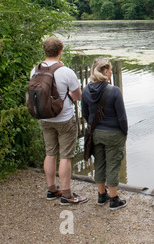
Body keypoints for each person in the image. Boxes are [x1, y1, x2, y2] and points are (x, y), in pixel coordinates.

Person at [31, 37, 88, 205]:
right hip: (64, 119)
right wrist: (69, 94)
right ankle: (67, 194)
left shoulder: (35, 70)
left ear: (45, 51)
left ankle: (51, 189)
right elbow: (78, 96)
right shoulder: (66, 72)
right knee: (66, 156)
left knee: (50, 153)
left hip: (44, 117)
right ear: (60, 51)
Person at [81, 58, 128, 210]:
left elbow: (85, 113)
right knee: (113, 165)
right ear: (106, 71)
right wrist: (124, 133)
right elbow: (121, 116)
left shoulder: (86, 90)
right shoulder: (114, 91)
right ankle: (114, 199)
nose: (112, 72)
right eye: (111, 70)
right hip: (113, 133)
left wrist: (96, 126)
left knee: (99, 164)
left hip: (96, 134)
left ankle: (102, 196)